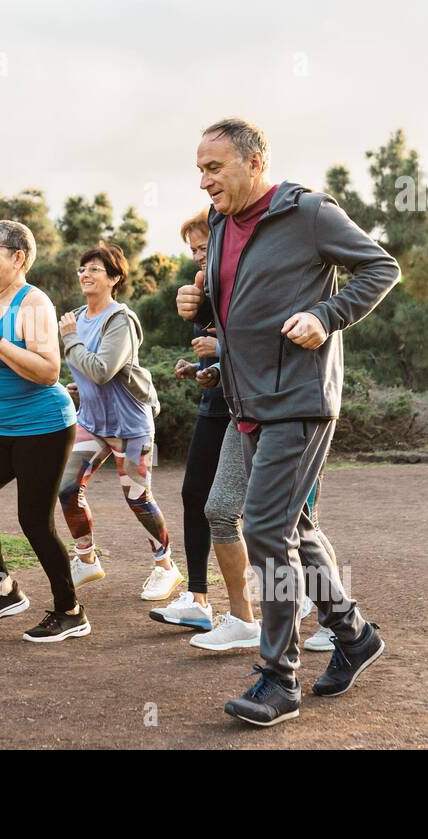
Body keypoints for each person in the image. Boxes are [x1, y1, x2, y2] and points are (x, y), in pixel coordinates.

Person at [178, 118, 400, 725]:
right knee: (295, 529)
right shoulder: (222, 224)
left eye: (213, 168)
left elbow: (381, 268)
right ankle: (353, 636)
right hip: (247, 400)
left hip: (299, 398)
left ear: (254, 163)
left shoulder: (308, 212)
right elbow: (241, 312)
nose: (204, 181)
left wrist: (327, 316)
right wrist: (204, 322)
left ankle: (279, 678)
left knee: (268, 529)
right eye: (199, 169)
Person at [151, 213, 334, 652]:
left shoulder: (277, 256)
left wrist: (222, 350)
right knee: (223, 509)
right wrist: (212, 369)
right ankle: (244, 619)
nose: (200, 254)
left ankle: (335, 620)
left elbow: (273, 335)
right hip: (242, 409)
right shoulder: (212, 284)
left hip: (291, 405)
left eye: (204, 245)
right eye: (193, 249)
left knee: (291, 521)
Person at [0, 219, 91, 643]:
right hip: (1, 428)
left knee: (33, 520)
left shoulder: (33, 304)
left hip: (43, 428)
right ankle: (4, 589)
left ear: (19, 257)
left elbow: (48, 371)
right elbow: (9, 360)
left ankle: (70, 611)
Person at [55, 243, 179, 601]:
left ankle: (165, 567)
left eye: (95, 269)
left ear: (114, 278)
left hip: (130, 426)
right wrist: (79, 386)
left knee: (138, 498)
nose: (86, 274)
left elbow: (101, 368)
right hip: (92, 421)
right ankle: (86, 558)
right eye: (83, 268)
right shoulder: (77, 317)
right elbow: (89, 372)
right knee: (67, 489)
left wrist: (70, 341)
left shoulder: (119, 320)